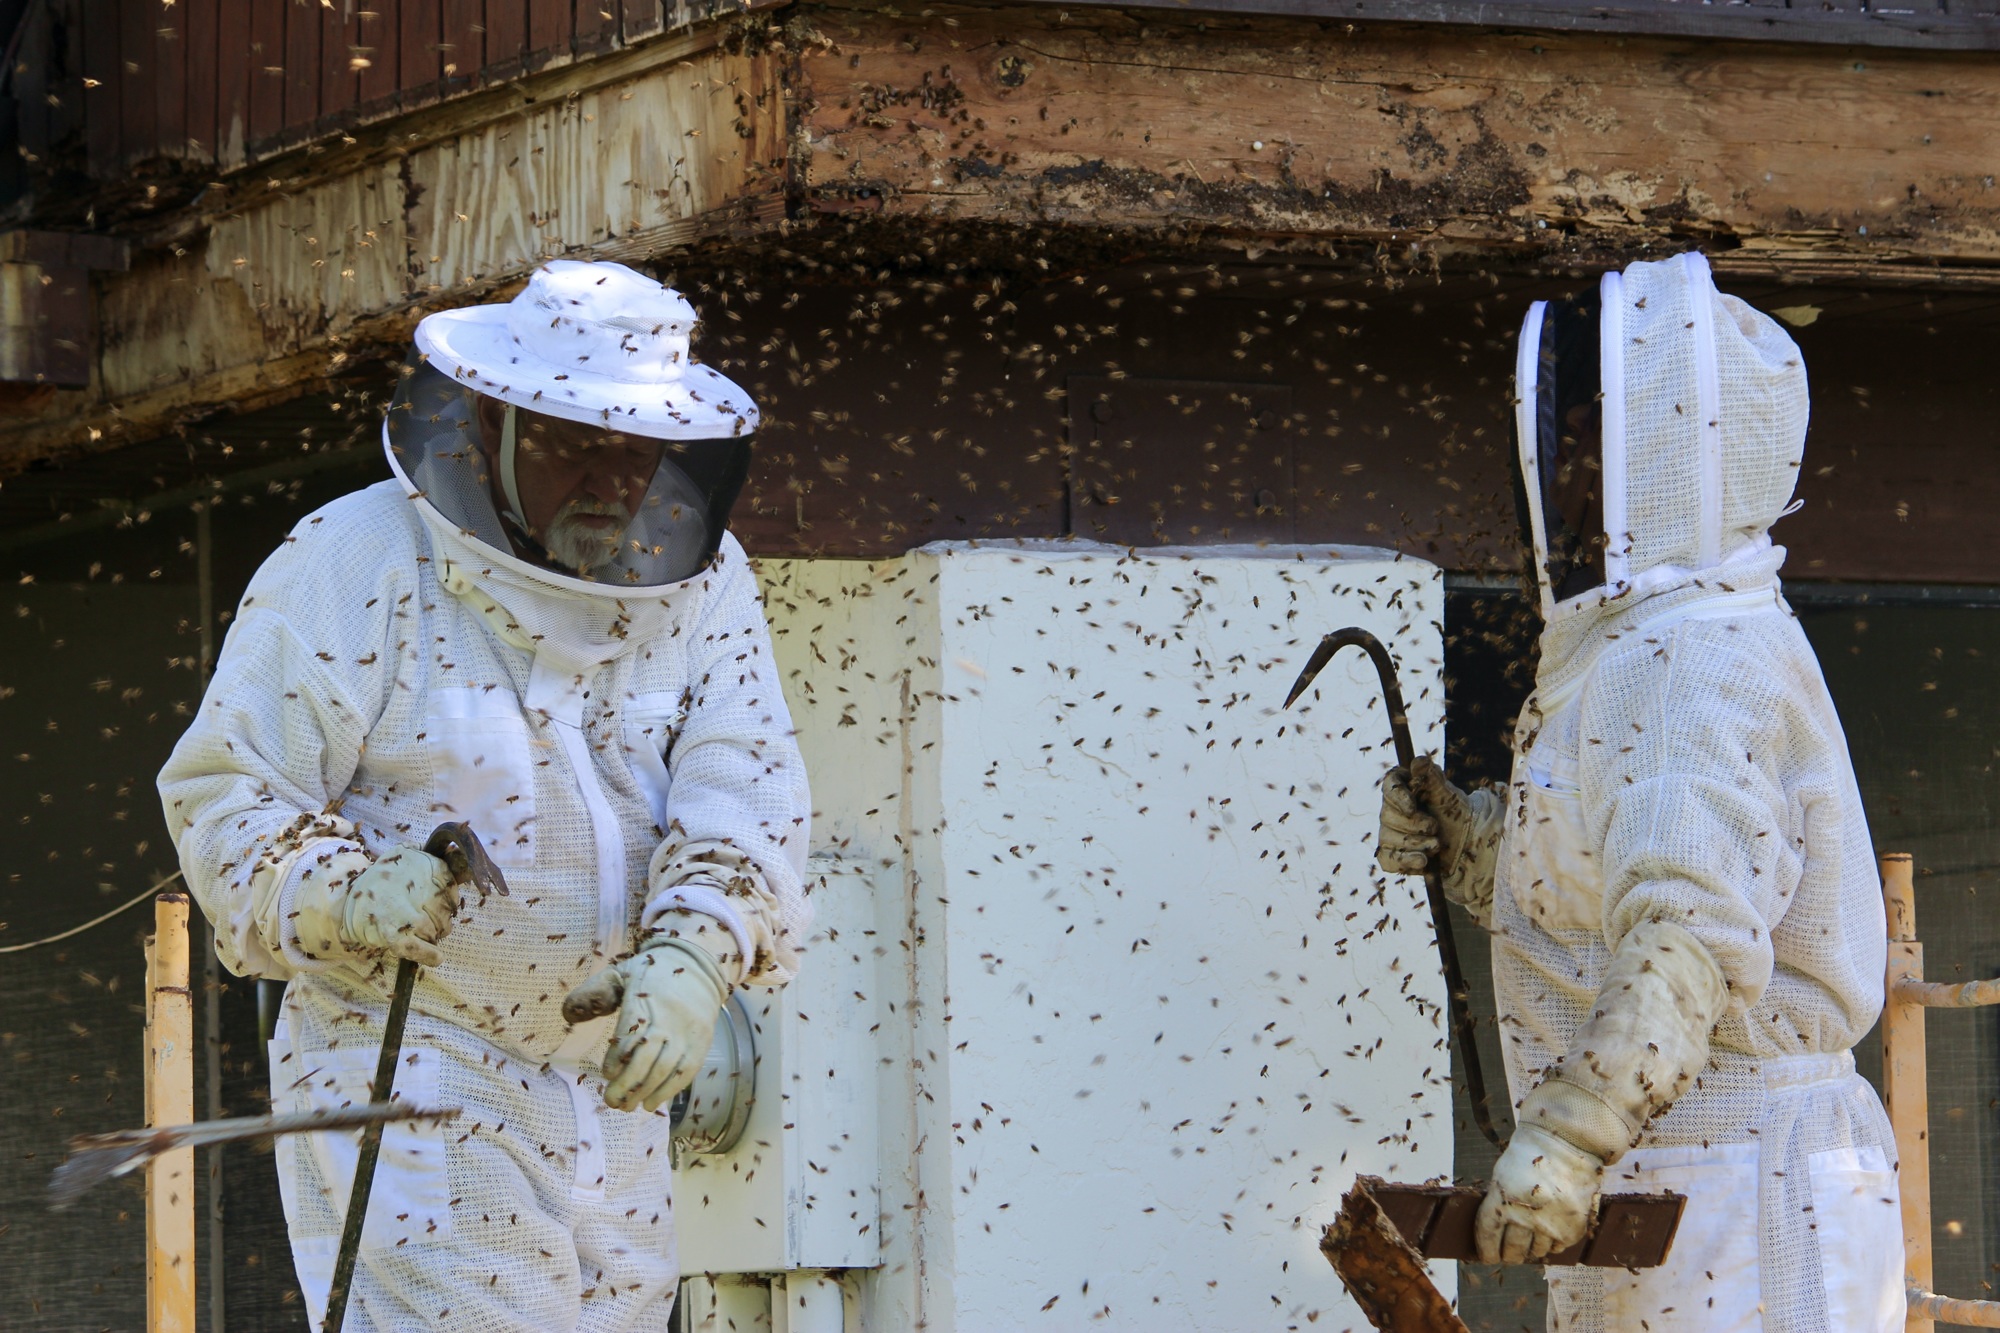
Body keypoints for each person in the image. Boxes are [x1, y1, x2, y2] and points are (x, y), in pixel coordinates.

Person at [158, 259, 811, 1331]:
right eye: (578, 443)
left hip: (605, 1084)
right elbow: (230, 799)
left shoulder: (707, 581)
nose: (615, 479)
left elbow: (747, 780)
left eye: (638, 449)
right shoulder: (354, 561)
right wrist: (343, 889)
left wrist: (699, 947)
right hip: (415, 1059)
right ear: (488, 425)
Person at [1377, 251, 1903, 1331]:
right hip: (1690, 1179)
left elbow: (1688, 937)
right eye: (1562, 437)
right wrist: (1474, 845)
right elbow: (1614, 884)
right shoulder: (1643, 647)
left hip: (1740, 1194)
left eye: (1590, 439)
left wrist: (1569, 1135)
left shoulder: (1688, 662)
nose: (1564, 469)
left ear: (1665, 453)